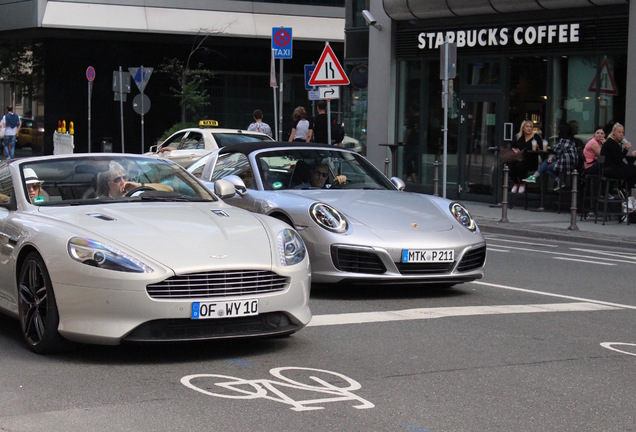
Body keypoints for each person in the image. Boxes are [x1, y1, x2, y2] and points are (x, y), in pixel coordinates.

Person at [523, 123, 578, 191]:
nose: (558, 132)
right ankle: (558, 181)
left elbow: (556, 152)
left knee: (546, 166)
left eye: (559, 130)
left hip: (566, 163)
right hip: (570, 163)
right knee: (547, 164)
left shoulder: (563, 141)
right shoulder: (571, 140)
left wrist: (551, 154)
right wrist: (552, 157)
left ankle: (535, 176)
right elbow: (560, 153)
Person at [96, 161, 173, 197]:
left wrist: (138, 185)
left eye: (125, 177)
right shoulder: (99, 202)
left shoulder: (135, 195)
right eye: (117, 179)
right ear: (106, 184)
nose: (123, 182)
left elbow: (169, 189)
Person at [600, 122, 636, 191]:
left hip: (611, 167)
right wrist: (626, 149)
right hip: (609, 169)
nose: (621, 134)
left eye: (622, 132)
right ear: (614, 132)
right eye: (619, 132)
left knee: (631, 169)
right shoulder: (611, 143)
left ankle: (624, 188)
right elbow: (618, 159)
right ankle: (624, 189)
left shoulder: (615, 143)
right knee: (633, 169)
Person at [509, 120, 542, 194]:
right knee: (509, 165)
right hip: (518, 158)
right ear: (523, 128)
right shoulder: (518, 136)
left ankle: (522, 183)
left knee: (520, 164)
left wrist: (537, 148)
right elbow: (512, 146)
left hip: (531, 160)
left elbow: (541, 148)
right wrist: (514, 149)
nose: (529, 128)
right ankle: (516, 183)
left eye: (530, 127)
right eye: (527, 126)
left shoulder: (536, 137)